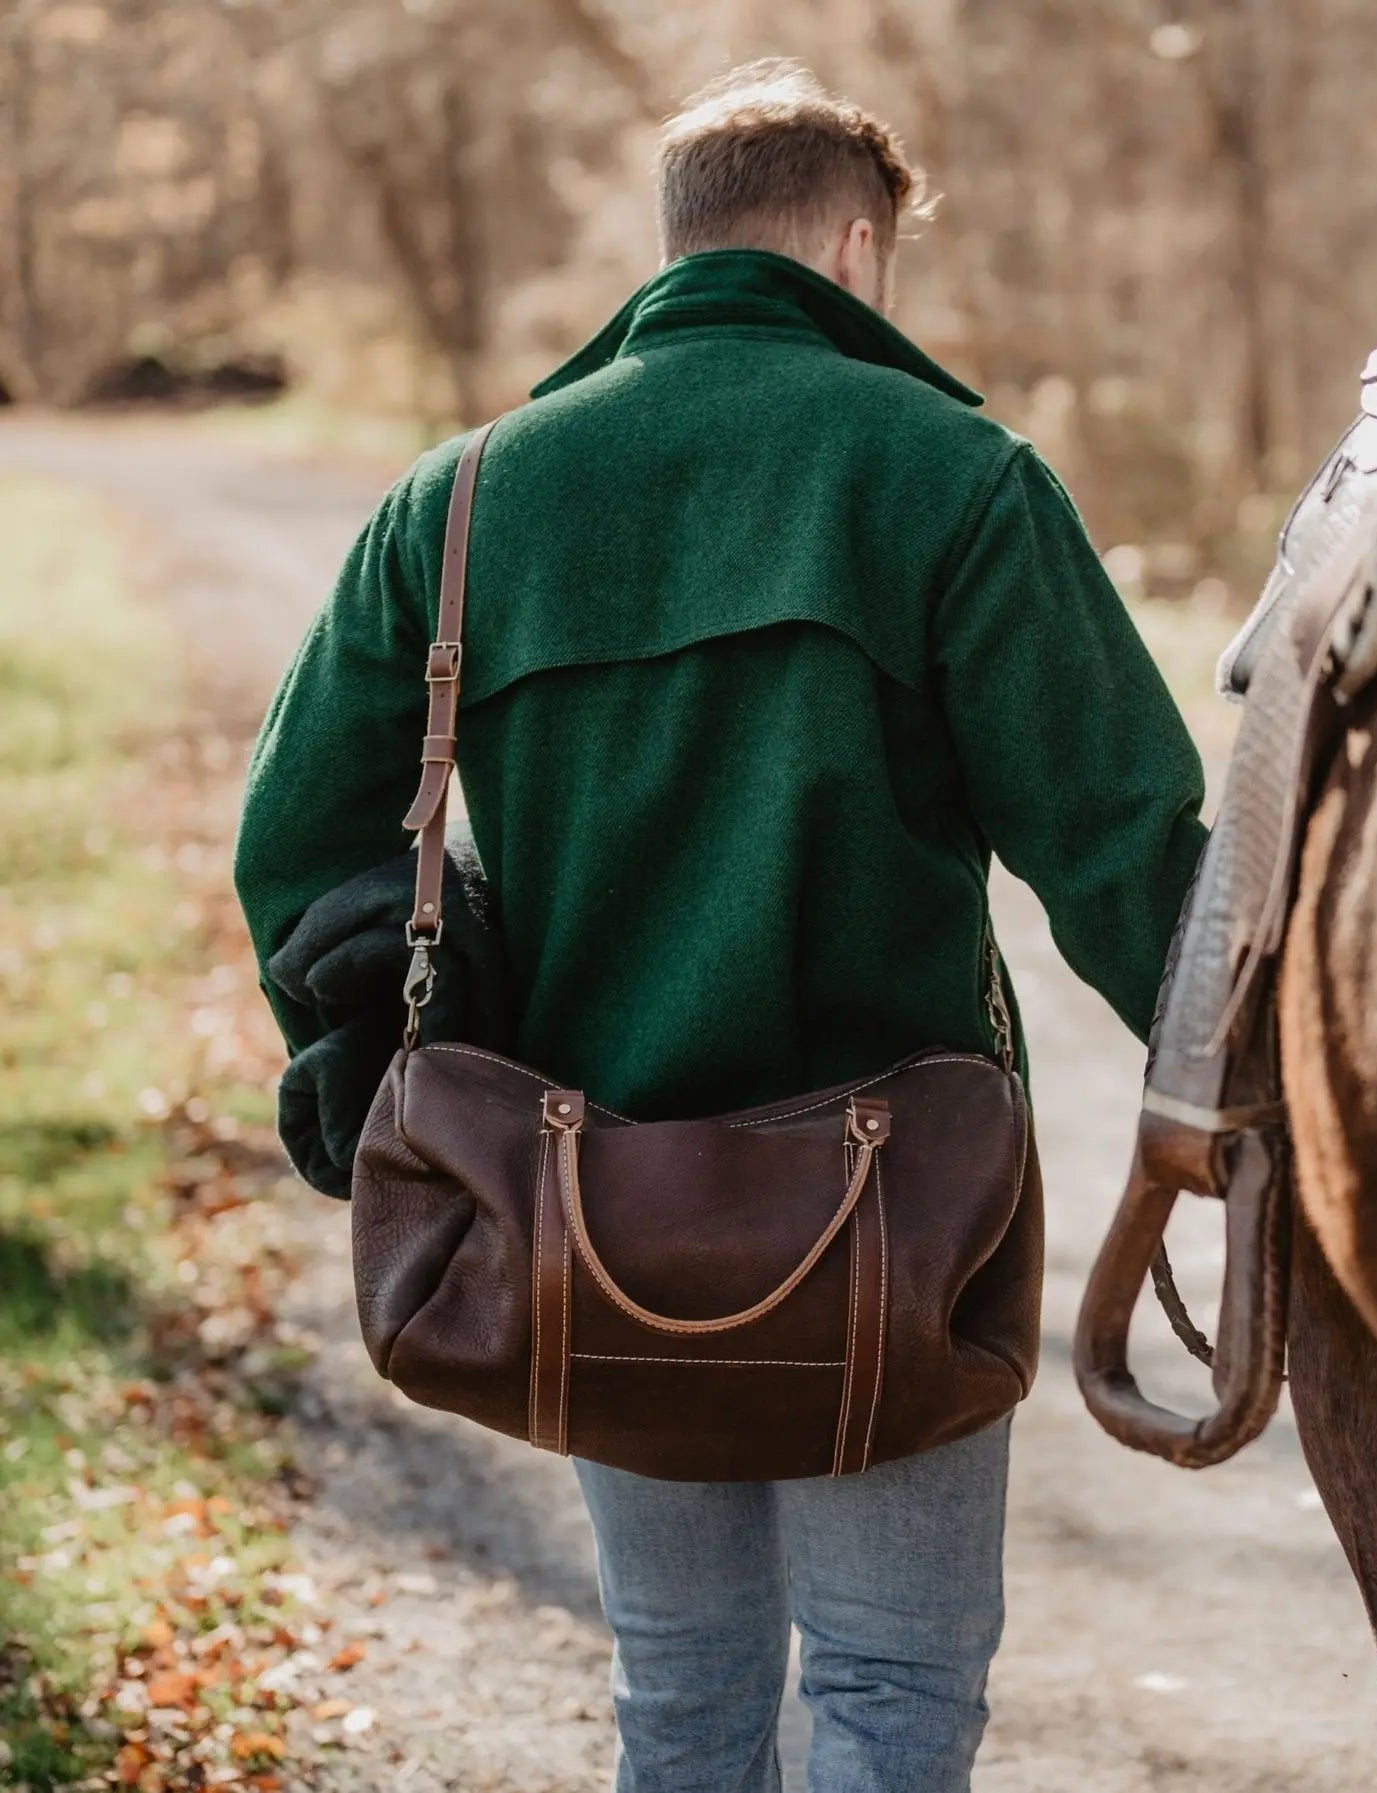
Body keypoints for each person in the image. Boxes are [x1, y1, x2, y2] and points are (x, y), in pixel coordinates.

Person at [235, 59, 1206, 1793]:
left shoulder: (462, 499)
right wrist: (1259, 1111)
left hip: (586, 1200)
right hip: (896, 1214)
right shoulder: (956, 479)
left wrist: (390, 1079)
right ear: (853, 241)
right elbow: (1127, 856)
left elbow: (294, 839)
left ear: (674, 244)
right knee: (893, 1688)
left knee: (681, 1699)